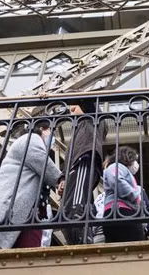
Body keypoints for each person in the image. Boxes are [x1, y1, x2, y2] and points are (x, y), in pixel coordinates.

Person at [0, 122, 61, 249]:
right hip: (16, 210)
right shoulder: (32, 139)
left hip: (24, 212)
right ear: (42, 129)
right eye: (50, 132)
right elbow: (41, 160)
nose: (53, 138)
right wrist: (60, 179)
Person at [58, 103, 107, 244]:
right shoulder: (79, 129)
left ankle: (82, 243)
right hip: (77, 164)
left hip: (84, 159)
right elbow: (69, 156)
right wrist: (62, 177)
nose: (72, 113)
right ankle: (82, 240)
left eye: (74, 109)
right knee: (68, 212)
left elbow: (88, 101)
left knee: (76, 208)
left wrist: (63, 97)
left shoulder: (92, 118)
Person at [102, 146, 144, 243]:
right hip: (121, 210)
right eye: (134, 160)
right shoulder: (115, 167)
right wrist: (135, 196)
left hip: (119, 211)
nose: (136, 163)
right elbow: (117, 181)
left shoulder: (120, 169)